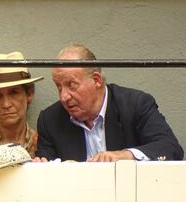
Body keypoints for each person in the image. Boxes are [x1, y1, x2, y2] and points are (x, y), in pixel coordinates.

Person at [36, 44, 184, 162]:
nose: (64, 97)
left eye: (72, 85)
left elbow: (170, 148)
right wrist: (40, 167)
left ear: (96, 80)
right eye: (59, 86)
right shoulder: (50, 120)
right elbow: (46, 165)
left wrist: (126, 156)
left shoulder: (135, 105)